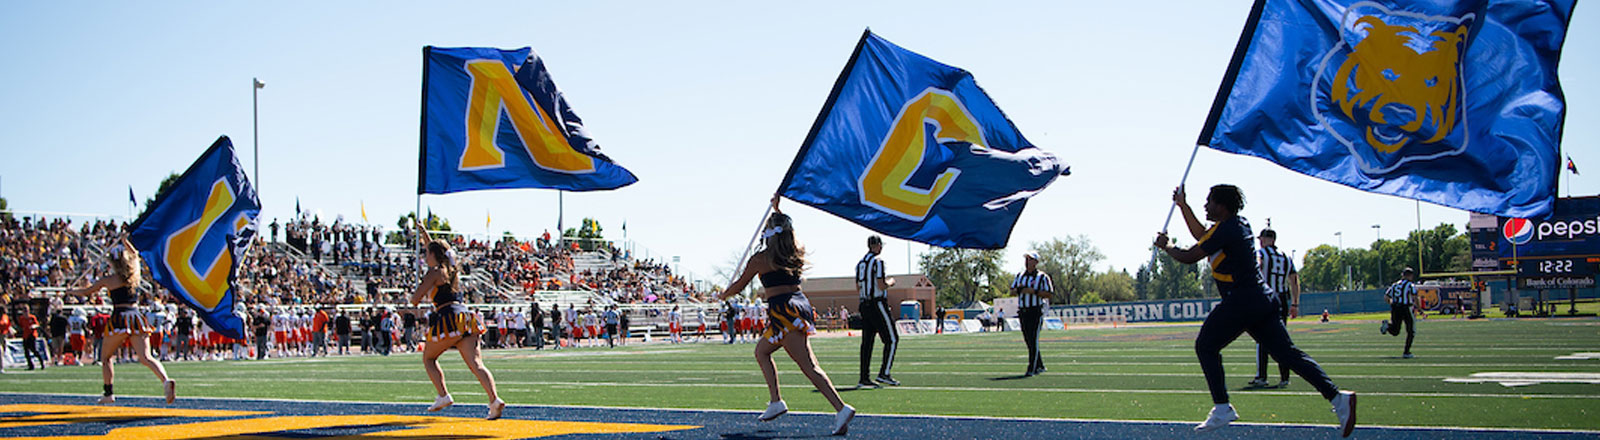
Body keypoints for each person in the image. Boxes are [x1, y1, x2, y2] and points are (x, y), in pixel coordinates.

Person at [1155, 184, 1355, 436]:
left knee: (1205, 346)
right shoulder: (1237, 224)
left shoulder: (1227, 229)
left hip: (1243, 299)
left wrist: (1167, 247)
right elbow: (1202, 236)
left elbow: (1189, 255)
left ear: (1222, 205)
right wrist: (1184, 206)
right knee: (1288, 355)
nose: (1206, 205)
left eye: (1210, 201)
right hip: (1262, 299)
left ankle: (1222, 406)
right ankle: (1338, 398)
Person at [718, 196, 853, 435]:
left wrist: (724, 294)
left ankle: (841, 408)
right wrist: (778, 212)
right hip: (795, 307)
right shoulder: (794, 249)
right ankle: (776, 401)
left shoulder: (761, 259)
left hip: (784, 311)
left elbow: (739, 285)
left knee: (809, 366)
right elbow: (787, 234)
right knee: (762, 351)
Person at [61, 239, 176, 405]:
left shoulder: (109, 280)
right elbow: (135, 255)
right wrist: (126, 241)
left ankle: (108, 393)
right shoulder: (134, 275)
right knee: (146, 357)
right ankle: (165, 380)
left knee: (106, 357)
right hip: (136, 317)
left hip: (120, 318)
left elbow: (87, 292)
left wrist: (71, 290)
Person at [411, 219, 505, 419]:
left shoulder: (435, 272)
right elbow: (435, 247)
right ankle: (494, 400)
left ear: (434, 256)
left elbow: (415, 300)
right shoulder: (452, 269)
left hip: (448, 318)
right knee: (476, 363)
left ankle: (443, 395)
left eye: (427, 253)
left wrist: (418, 290)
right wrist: (423, 231)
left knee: (429, 358)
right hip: (466, 317)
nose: (425, 256)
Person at [1250, 228, 1300, 388]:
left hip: (1266, 298)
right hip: (1282, 299)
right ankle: (1284, 376)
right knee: (1281, 338)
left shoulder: (1262, 253)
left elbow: (1256, 264)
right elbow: (1294, 280)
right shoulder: (1286, 256)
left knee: (1262, 338)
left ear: (1268, 239)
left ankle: (1262, 376)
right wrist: (1295, 303)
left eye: (1262, 239)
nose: (1260, 242)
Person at [855, 235, 900, 388]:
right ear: (877, 246)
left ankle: (864, 377)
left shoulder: (860, 264)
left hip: (864, 303)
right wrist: (891, 282)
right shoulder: (878, 262)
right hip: (877, 303)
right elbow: (881, 285)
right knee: (892, 339)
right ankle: (884, 373)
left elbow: (857, 287)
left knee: (867, 342)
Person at [1012, 252, 1052, 377]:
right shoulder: (1019, 276)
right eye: (1026, 259)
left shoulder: (1042, 277)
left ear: (1036, 262)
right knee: (1028, 339)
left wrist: (1033, 292)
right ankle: (1040, 365)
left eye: (1030, 260)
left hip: (1035, 310)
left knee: (1033, 338)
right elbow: (1012, 291)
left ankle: (1032, 368)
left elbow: (1049, 293)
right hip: (1023, 311)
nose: (1027, 262)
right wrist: (1019, 289)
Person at [1381, 268, 1419, 359]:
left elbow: (1386, 297)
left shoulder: (1394, 285)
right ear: (1410, 276)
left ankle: (1388, 326)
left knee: (1395, 331)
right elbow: (1415, 297)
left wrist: (1392, 304)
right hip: (1405, 308)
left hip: (1395, 308)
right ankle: (1406, 352)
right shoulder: (1410, 285)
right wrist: (1419, 308)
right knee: (1411, 331)